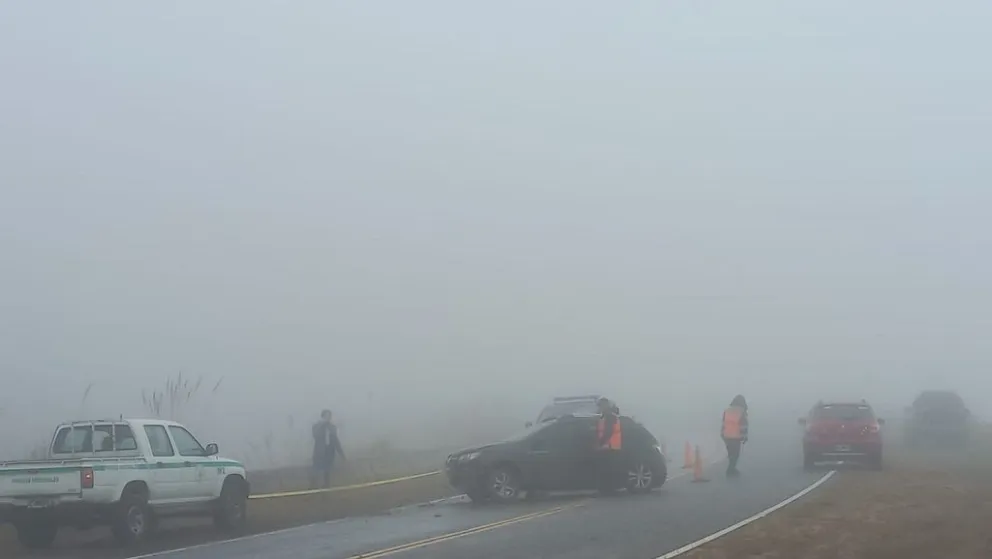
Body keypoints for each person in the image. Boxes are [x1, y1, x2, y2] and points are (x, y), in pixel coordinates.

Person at [311, 409, 346, 489]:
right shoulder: (316, 426)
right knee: (316, 470)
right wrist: (322, 425)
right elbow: (315, 435)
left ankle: (326, 488)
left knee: (327, 472)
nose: (328, 418)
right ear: (322, 417)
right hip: (319, 453)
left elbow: (336, 441)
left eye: (329, 416)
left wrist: (342, 455)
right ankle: (314, 487)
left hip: (329, 453)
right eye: (326, 416)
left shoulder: (332, 427)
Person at [595, 397, 622, 491]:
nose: (600, 408)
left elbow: (608, 431)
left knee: (608, 470)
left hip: (609, 446)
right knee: (609, 469)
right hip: (609, 446)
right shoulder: (606, 416)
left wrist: (600, 443)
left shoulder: (609, 416)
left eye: (601, 406)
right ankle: (609, 488)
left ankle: (609, 489)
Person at [721, 395, 749, 477]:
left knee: (730, 453)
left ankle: (731, 468)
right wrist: (744, 436)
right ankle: (730, 469)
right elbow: (743, 425)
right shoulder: (741, 411)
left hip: (726, 435)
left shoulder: (727, 411)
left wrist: (722, 433)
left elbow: (724, 423)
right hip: (736, 436)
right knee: (735, 454)